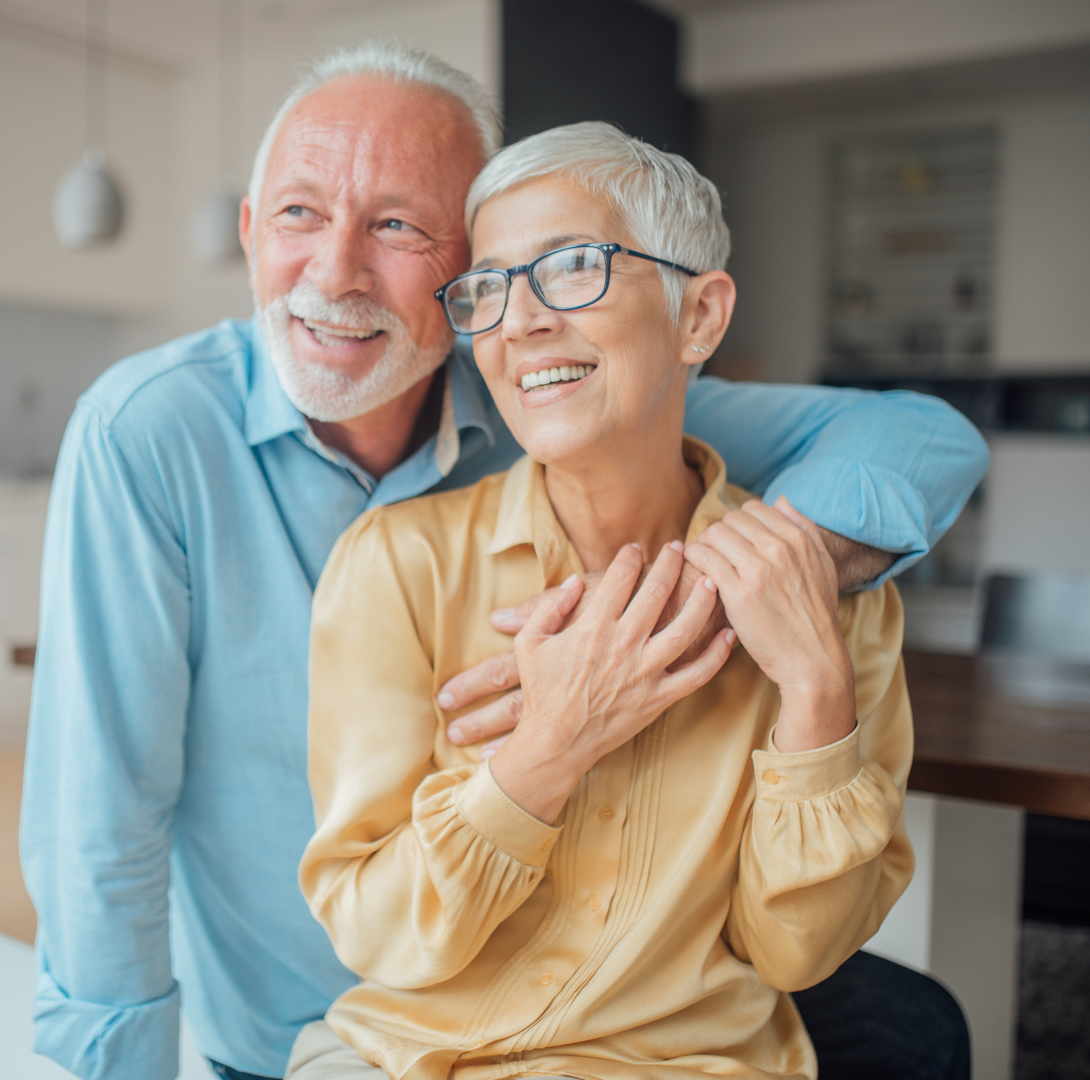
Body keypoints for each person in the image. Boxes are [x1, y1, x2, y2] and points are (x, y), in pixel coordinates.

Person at [20, 40, 984, 1080]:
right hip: (343, 1013)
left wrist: (689, 609)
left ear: (453, 276)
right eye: (299, 213)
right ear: (251, 233)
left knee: (916, 1029)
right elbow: (99, 814)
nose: (335, 271)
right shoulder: (154, 433)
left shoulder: (552, 385)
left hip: (632, 994)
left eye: (396, 225)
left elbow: (920, 438)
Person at [291, 120, 914, 1080]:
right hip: (404, 1062)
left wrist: (816, 700)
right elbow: (372, 930)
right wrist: (548, 749)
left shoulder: (830, 596)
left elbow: (795, 952)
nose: (521, 321)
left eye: (574, 266)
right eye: (489, 288)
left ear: (700, 317)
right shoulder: (395, 564)